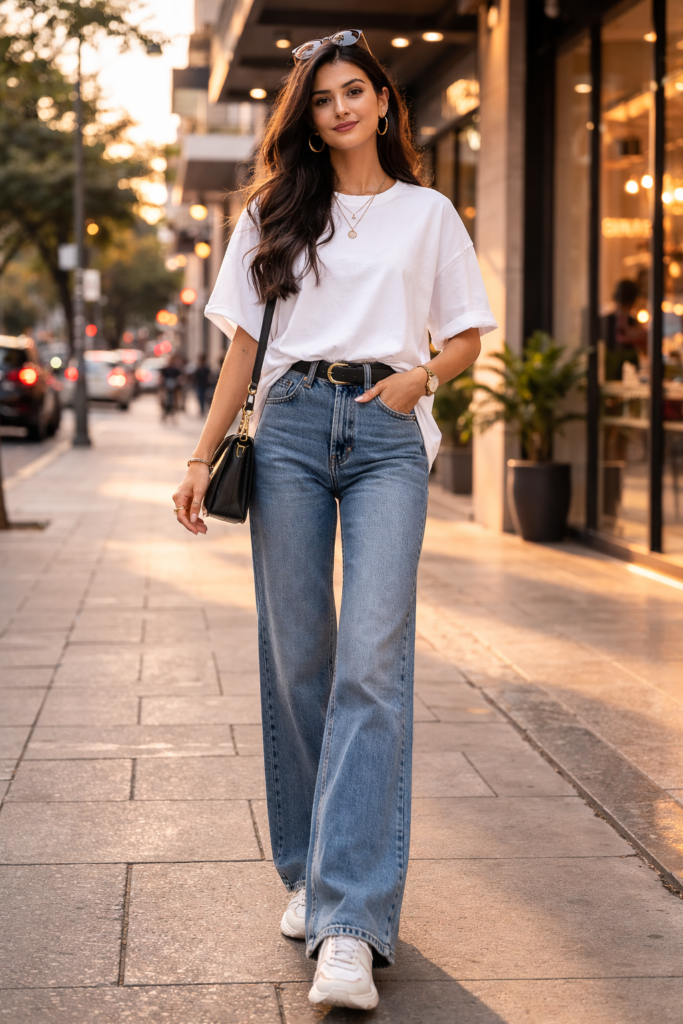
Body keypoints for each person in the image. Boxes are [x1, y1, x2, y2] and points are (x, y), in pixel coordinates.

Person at [172, 30, 495, 1011]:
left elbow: (468, 338)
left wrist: (415, 379)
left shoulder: (427, 212)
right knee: (300, 656)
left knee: (371, 661)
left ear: (384, 101)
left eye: (355, 91)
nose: (341, 108)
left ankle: (348, 922)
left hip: (387, 431)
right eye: (323, 98)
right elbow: (240, 349)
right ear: (306, 117)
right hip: (292, 431)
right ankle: (311, 870)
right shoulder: (274, 211)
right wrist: (199, 453)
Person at [159, 354, 184, 421]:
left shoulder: (176, 370)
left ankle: (175, 410)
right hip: (165, 388)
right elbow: (161, 377)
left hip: (174, 388)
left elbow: (180, 377)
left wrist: (179, 382)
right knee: (163, 399)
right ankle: (164, 413)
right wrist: (161, 382)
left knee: (176, 400)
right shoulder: (164, 369)